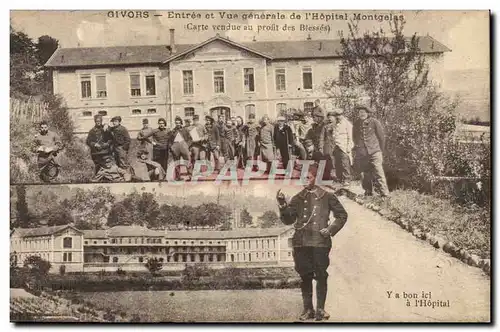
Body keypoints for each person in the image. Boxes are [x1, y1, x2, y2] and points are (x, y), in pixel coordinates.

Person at [277, 166, 348, 321]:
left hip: (320, 242)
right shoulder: (297, 198)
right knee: (305, 276)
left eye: (308, 177)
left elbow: (342, 215)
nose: (304, 180)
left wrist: (330, 230)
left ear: (316, 178)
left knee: (321, 275)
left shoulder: (327, 196)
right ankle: (308, 309)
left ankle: (320, 310)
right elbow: (288, 220)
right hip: (301, 243)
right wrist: (282, 205)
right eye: (302, 178)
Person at [352, 102, 389, 197]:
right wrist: (358, 149)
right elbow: (355, 138)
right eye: (360, 112)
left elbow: (381, 138)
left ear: (368, 113)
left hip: (375, 152)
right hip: (362, 154)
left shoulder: (374, 122)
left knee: (379, 172)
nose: (361, 114)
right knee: (365, 173)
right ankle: (368, 192)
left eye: (363, 112)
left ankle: (385, 194)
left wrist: (381, 151)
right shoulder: (356, 124)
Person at [332, 108, 353, 186]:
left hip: (344, 146)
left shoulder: (347, 124)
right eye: (336, 115)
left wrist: (349, 147)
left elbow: (350, 137)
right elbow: (334, 135)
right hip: (337, 146)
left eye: (339, 115)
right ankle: (339, 178)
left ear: (342, 115)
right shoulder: (335, 124)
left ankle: (347, 179)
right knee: (337, 163)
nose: (338, 117)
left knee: (345, 163)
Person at [319, 110, 337, 180]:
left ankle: (337, 176)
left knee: (336, 160)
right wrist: (320, 147)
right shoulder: (325, 127)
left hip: (337, 145)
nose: (330, 118)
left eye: (331, 117)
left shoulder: (338, 125)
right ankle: (328, 176)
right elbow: (322, 137)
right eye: (329, 117)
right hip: (327, 146)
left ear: (335, 118)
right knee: (328, 161)